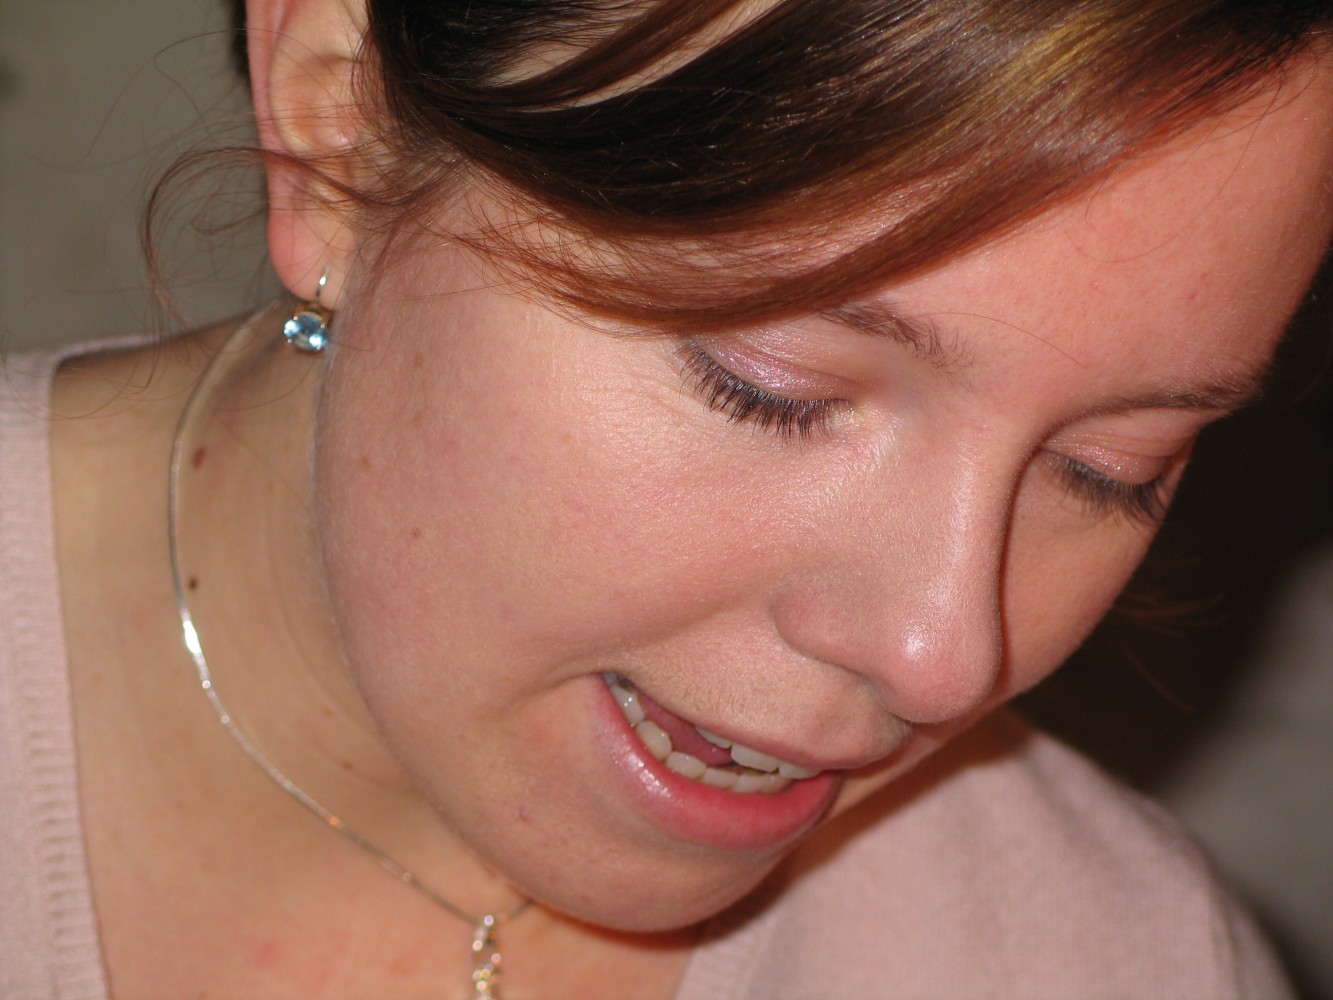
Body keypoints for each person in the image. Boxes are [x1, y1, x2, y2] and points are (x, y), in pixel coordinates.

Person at [4, 1, 1333, 996]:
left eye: (1113, 467)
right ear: (334, 112)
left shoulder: (1131, 964)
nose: (941, 656)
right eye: (773, 387)